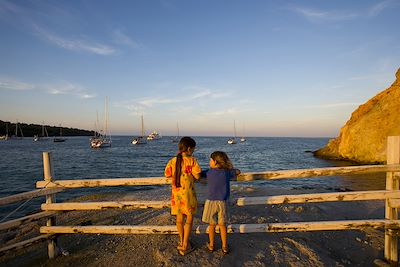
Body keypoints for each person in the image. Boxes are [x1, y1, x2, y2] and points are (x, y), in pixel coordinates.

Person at [164, 136, 201, 256]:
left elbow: (167, 174)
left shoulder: (173, 161)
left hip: (177, 195)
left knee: (179, 220)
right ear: (189, 149)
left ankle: (181, 241)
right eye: (193, 149)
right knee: (189, 220)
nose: (194, 151)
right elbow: (198, 176)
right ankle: (185, 245)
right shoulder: (192, 160)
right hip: (188, 195)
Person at [201, 151, 240, 255]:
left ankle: (212, 245)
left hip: (211, 201)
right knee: (222, 225)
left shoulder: (209, 172)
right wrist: (235, 170)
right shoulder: (227, 172)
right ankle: (224, 246)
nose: (209, 162)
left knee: (212, 225)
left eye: (210, 160)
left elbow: (199, 174)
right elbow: (236, 171)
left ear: (216, 162)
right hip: (223, 201)